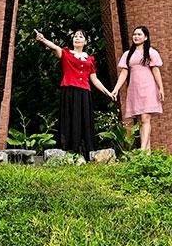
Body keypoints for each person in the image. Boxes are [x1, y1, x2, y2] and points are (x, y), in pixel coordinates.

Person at [35, 29, 114, 159]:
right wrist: (43, 40)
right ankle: (69, 151)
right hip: (70, 91)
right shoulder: (66, 53)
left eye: (80, 36)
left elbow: (94, 79)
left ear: (86, 41)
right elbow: (54, 47)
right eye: (75, 36)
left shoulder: (90, 59)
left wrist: (108, 93)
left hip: (84, 93)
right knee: (70, 119)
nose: (77, 38)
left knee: (84, 121)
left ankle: (85, 152)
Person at [111, 26, 164, 151]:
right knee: (141, 120)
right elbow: (124, 73)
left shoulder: (151, 52)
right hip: (135, 89)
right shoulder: (127, 54)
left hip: (148, 87)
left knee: (146, 118)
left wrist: (161, 88)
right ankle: (147, 152)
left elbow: (156, 71)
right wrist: (116, 89)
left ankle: (142, 149)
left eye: (139, 34)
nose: (136, 36)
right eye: (134, 34)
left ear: (145, 37)